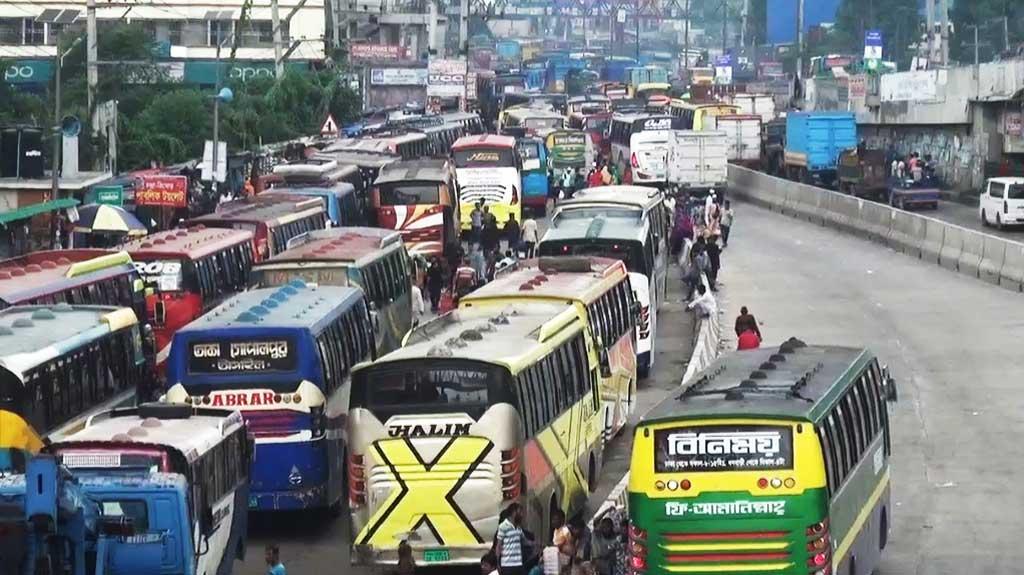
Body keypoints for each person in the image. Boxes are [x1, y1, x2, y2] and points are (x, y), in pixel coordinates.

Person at [496, 503, 526, 575]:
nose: (522, 515)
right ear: (513, 512)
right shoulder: (503, 526)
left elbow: (525, 541)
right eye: (520, 512)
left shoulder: (518, 528)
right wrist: (497, 563)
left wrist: (537, 544)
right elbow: (499, 546)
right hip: (507, 565)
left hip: (518, 564)